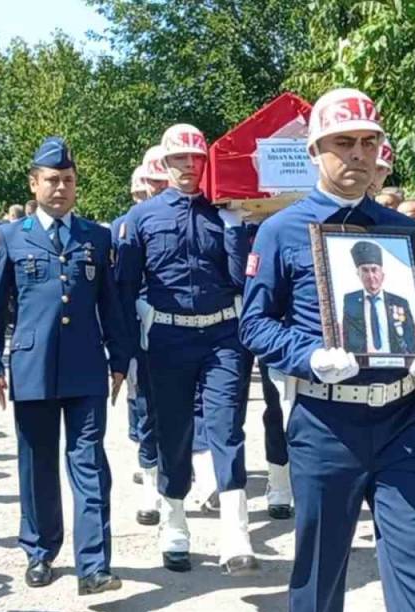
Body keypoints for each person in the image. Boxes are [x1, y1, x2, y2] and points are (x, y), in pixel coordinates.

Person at [240, 87, 415, 612]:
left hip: (402, 418)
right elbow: (253, 324)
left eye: (369, 142)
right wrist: (307, 356)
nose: (359, 154)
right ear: (317, 150)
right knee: (319, 572)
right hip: (325, 421)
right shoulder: (281, 230)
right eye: (344, 142)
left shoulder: (401, 229)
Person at [0, 137, 130, 595]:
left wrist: (119, 358)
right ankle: (40, 552)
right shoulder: (9, 236)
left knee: (88, 463)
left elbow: (112, 304)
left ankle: (94, 566)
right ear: (34, 183)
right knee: (38, 462)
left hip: (85, 367)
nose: (60, 188)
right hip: (32, 367)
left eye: (68, 180)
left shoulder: (96, 237)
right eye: (51, 180)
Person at [115, 123, 258, 576]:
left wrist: (236, 230)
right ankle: (174, 520)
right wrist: (126, 352)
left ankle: (236, 531)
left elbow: (242, 281)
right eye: (180, 159)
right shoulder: (142, 218)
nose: (189, 168)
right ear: (165, 163)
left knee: (226, 426)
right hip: (168, 337)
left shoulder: (224, 213)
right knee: (173, 430)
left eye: (196, 160)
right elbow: (124, 287)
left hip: (222, 335)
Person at [112, 164, 163, 527]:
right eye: (151, 182)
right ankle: (149, 473)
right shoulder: (125, 224)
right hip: (141, 325)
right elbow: (121, 285)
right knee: (142, 403)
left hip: (181, 329)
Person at [340, 240, 415, 355]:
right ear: (358, 274)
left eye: (374, 270)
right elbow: (348, 339)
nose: (371, 276)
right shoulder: (350, 301)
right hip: (364, 366)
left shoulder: (400, 302)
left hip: (395, 364)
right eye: (365, 270)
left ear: (382, 274)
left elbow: (410, 341)